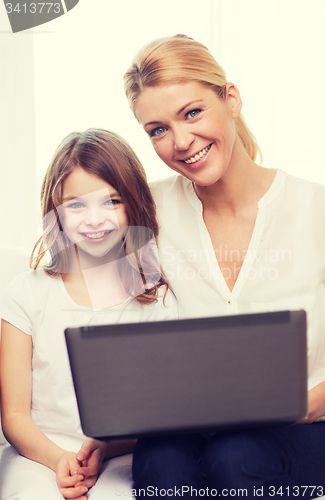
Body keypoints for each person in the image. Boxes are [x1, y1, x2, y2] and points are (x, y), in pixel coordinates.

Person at [121, 34, 325, 498]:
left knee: (235, 454)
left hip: (307, 424)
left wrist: (303, 407)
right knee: (159, 455)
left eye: (192, 112)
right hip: (193, 421)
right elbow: (85, 286)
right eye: (157, 129)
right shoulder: (147, 210)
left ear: (230, 99)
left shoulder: (316, 208)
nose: (181, 142)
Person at [0, 128, 177, 500]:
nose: (94, 219)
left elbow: (156, 414)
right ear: (56, 211)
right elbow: (14, 416)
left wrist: (100, 450)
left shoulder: (157, 301)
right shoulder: (26, 292)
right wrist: (60, 458)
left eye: (111, 201)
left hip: (120, 455)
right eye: (77, 205)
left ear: (134, 204)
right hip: (37, 455)